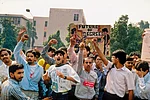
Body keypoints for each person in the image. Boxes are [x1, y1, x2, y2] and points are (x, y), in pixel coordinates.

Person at [14, 34, 47, 100]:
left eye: (31, 56)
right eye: (28, 56)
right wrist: (22, 40)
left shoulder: (40, 68)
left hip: (34, 93)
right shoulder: (23, 65)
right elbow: (16, 53)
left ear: (35, 58)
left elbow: (41, 82)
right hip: (23, 91)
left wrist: (44, 94)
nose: (29, 58)